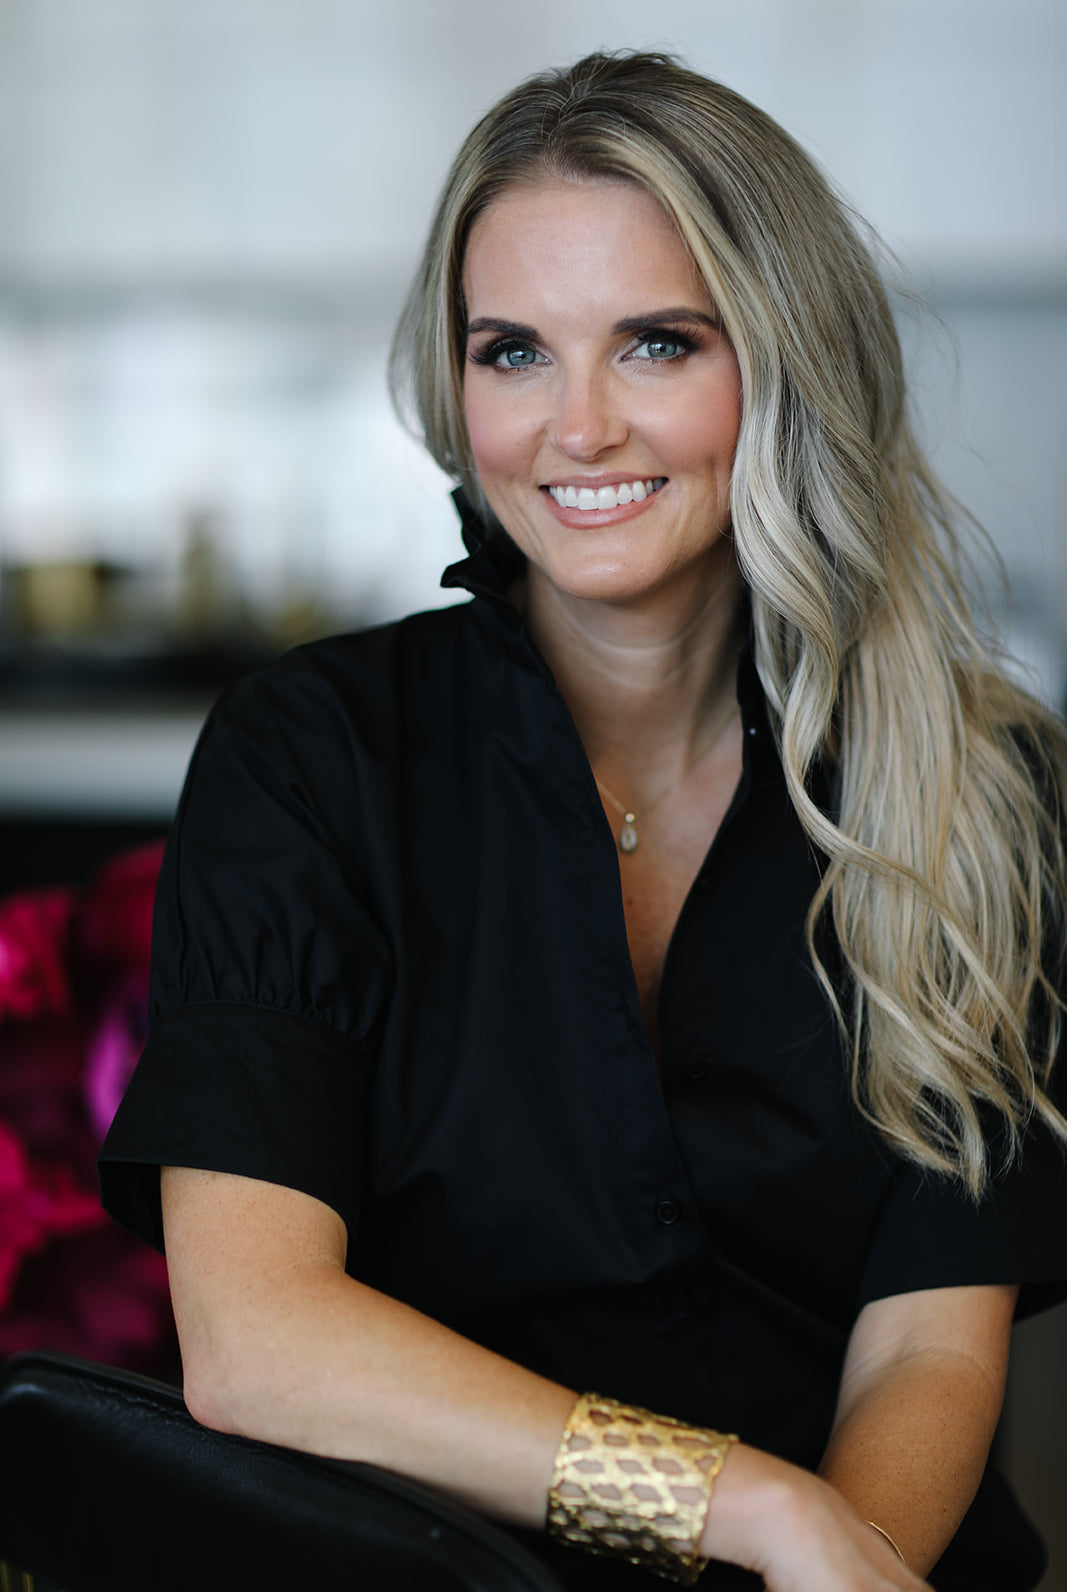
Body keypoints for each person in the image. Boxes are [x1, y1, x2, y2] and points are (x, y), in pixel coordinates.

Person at [100, 50, 1067, 1591]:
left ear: (785, 361)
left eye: (657, 344)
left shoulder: (976, 780)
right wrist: (750, 1510)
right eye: (514, 353)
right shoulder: (312, 756)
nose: (578, 427)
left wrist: (832, 1560)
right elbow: (256, 1344)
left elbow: (930, 1355)